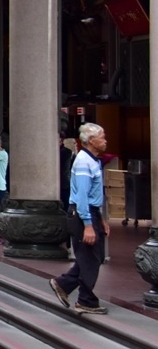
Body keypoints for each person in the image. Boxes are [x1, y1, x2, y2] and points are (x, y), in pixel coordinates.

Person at [49, 122, 110, 315]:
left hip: (91, 212)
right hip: (82, 213)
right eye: (102, 137)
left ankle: (64, 284)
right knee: (90, 257)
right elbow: (82, 195)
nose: (105, 141)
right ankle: (85, 299)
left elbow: (93, 195)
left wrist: (100, 220)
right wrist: (88, 225)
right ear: (91, 141)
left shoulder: (92, 160)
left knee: (94, 256)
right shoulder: (84, 161)